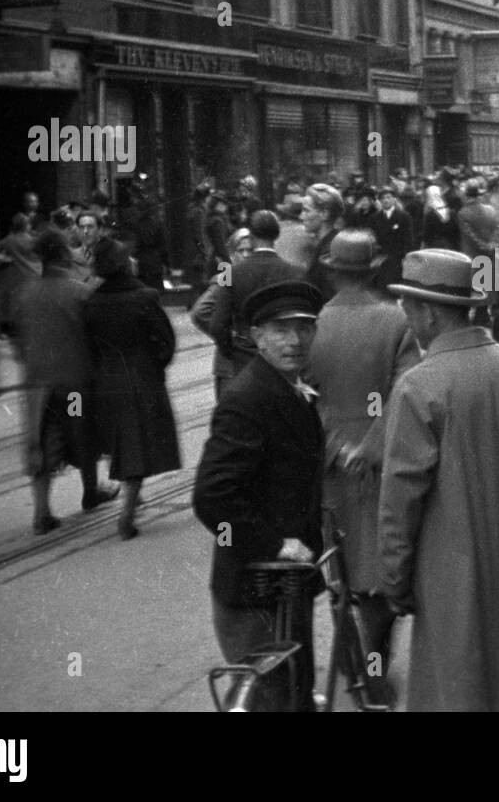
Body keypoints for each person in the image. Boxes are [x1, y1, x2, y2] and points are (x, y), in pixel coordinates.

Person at [378, 249, 499, 711]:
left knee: (461, 682)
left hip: (450, 568)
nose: (407, 318)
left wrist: (394, 580)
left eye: (408, 308)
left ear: (426, 312)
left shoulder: (419, 386)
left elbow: (399, 501)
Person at [193, 280, 326, 712]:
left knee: (291, 693)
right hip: (255, 584)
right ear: (256, 336)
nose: (295, 340)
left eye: (304, 328)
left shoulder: (289, 387)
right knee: (269, 699)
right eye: (280, 329)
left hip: (284, 582)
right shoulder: (249, 398)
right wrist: (275, 544)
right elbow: (213, 496)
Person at [307, 231, 419, 705]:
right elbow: (405, 390)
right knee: (377, 580)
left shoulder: (311, 325)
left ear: (332, 271)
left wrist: (336, 447)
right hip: (379, 467)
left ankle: (353, 664)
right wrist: (370, 447)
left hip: (330, 469)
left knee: (340, 575)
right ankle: (373, 670)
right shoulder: (397, 320)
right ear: (375, 268)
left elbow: (305, 396)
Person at [15, 230, 119, 534]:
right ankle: (90, 492)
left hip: (38, 386)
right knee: (82, 433)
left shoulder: (24, 294)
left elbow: (19, 344)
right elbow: (96, 339)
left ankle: (41, 511)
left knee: (40, 441)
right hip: (74, 385)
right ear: (62, 255)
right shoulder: (80, 292)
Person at [83, 238, 181, 539]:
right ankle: (126, 514)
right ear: (125, 264)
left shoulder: (91, 301)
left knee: (121, 440)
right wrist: (155, 366)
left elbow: (88, 346)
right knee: (138, 445)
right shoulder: (144, 296)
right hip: (141, 376)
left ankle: (132, 496)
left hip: (106, 379)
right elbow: (166, 341)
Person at [210, 210, 307, 377]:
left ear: (252, 236)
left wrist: (232, 351)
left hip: (245, 357)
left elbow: (218, 324)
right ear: (277, 235)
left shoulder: (228, 274)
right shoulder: (297, 273)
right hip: (284, 356)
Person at [190, 228, 253, 402]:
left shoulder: (254, 274)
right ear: (232, 255)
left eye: (250, 251)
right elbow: (200, 312)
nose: (246, 255)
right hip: (231, 362)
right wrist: (229, 335)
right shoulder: (227, 276)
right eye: (241, 251)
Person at [303, 184, 347, 301]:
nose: (301, 216)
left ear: (324, 214)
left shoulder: (330, 250)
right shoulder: (328, 243)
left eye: (306, 211)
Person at [371, 186, 415, 289]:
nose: (386, 200)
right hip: (381, 258)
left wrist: (406, 256)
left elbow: (408, 238)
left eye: (388, 197)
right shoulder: (375, 218)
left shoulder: (404, 216)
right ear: (380, 201)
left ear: (394, 199)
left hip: (397, 258)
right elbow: (372, 237)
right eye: (383, 198)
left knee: (395, 286)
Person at [421, 184, 460, 250]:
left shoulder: (430, 214)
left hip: (434, 248)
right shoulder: (451, 212)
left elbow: (426, 235)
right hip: (451, 247)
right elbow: (456, 232)